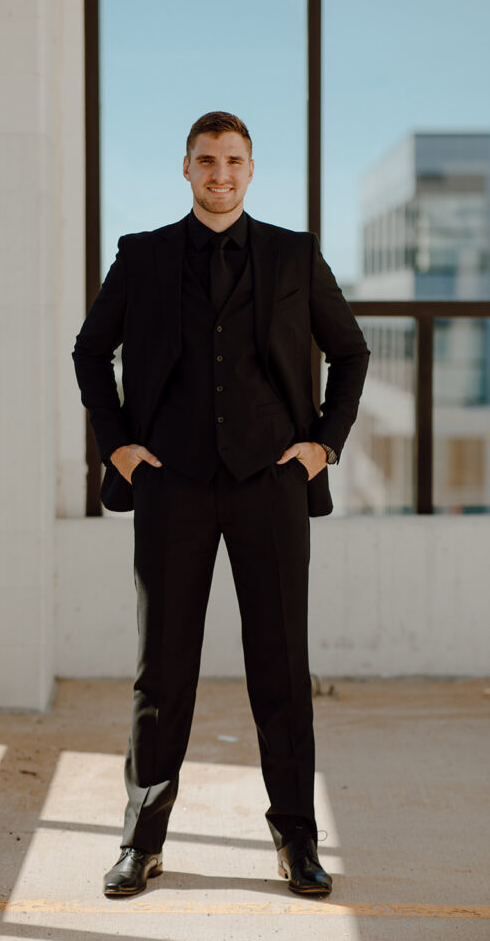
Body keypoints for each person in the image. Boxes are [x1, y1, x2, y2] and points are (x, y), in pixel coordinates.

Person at [72, 111, 369, 899]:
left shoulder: (293, 256)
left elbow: (350, 350)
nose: (219, 173)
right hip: (170, 486)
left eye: (233, 160)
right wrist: (117, 445)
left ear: (249, 168)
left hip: (269, 486)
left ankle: (297, 842)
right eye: (206, 161)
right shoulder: (141, 258)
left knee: (280, 670)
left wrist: (321, 445)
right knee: (160, 672)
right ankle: (141, 841)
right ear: (185, 169)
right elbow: (89, 350)